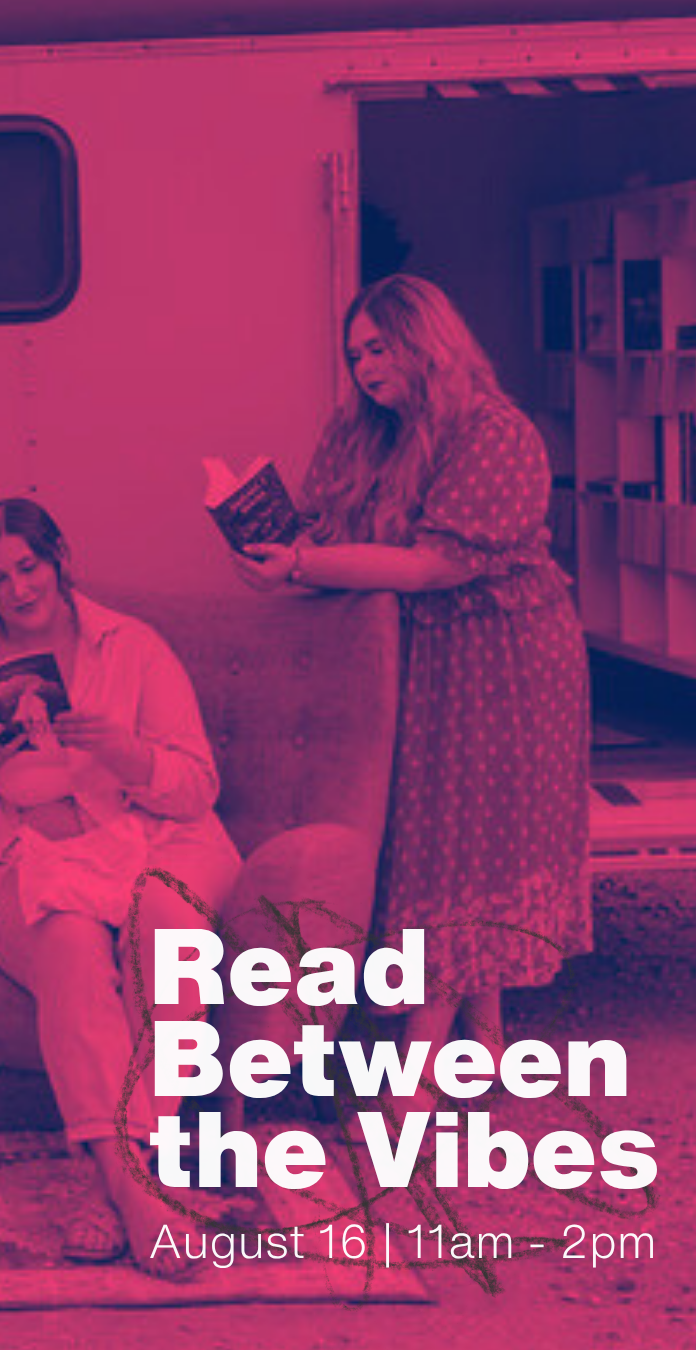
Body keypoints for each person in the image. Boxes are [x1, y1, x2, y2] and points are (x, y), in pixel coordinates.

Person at [234, 273, 590, 1097]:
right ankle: (485, 1047)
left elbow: (437, 565)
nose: (364, 368)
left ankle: (416, 1080)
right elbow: (327, 528)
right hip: (414, 657)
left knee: (464, 853)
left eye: (378, 349)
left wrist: (303, 564)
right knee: (443, 848)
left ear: (423, 342)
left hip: (502, 661)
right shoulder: (362, 432)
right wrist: (275, 543)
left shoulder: (496, 434)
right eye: (354, 354)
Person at [0, 498, 242, 1279]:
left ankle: (115, 1182)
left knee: (170, 930)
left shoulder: (132, 646)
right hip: (28, 863)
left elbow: (197, 787)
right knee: (67, 946)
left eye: (29, 567)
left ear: (58, 557)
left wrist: (126, 754)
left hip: (151, 839)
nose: (18, 591)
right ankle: (140, 1195)